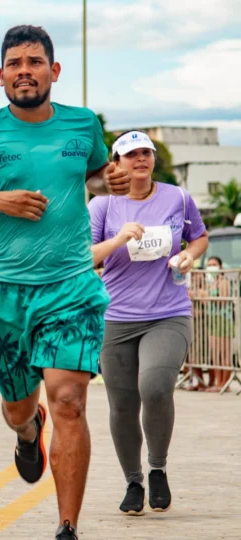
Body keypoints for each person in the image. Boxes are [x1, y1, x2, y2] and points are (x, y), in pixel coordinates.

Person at [0, 25, 132, 540]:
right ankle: (27, 431)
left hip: (70, 284)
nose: (25, 70)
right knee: (21, 406)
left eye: (35, 61)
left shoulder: (84, 125)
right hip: (4, 291)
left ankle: (67, 527)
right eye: (15, 63)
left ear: (54, 71)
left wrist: (105, 180)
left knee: (68, 399)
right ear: (1, 76)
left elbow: (93, 174)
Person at [89, 130, 209, 516]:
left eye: (146, 152)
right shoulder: (102, 205)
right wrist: (118, 240)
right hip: (116, 318)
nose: (140, 159)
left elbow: (200, 237)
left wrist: (190, 255)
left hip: (168, 313)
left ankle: (157, 468)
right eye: (131, 154)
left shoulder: (177, 197)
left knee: (155, 387)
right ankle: (133, 481)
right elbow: (83, 257)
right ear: (116, 162)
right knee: (122, 405)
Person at [196, 256, 234, 392]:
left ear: (220, 266)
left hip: (223, 319)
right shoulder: (208, 283)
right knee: (215, 354)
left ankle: (225, 384)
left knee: (224, 353)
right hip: (211, 319)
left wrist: (206, 295)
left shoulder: (223, 281)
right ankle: (218, 383)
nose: (211, 267)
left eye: (214, 264)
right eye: (209, 264)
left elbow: (222, 300)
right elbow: (205, 302)